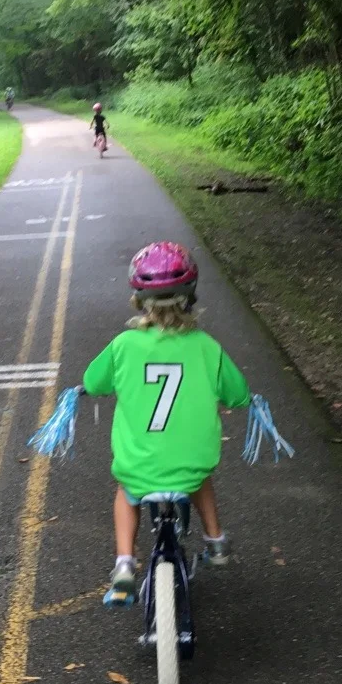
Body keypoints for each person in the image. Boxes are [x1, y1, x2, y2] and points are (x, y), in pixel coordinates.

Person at [82, 241, 251, 606]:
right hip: (192, 461)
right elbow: (238, 395)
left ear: (139, 298)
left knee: (126, 491)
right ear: (189, 295)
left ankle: (125, 563)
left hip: (139, 464)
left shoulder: (124, 345)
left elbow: (94, 383)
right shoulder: (206, 346)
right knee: (198, 476)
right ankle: (215, 539)